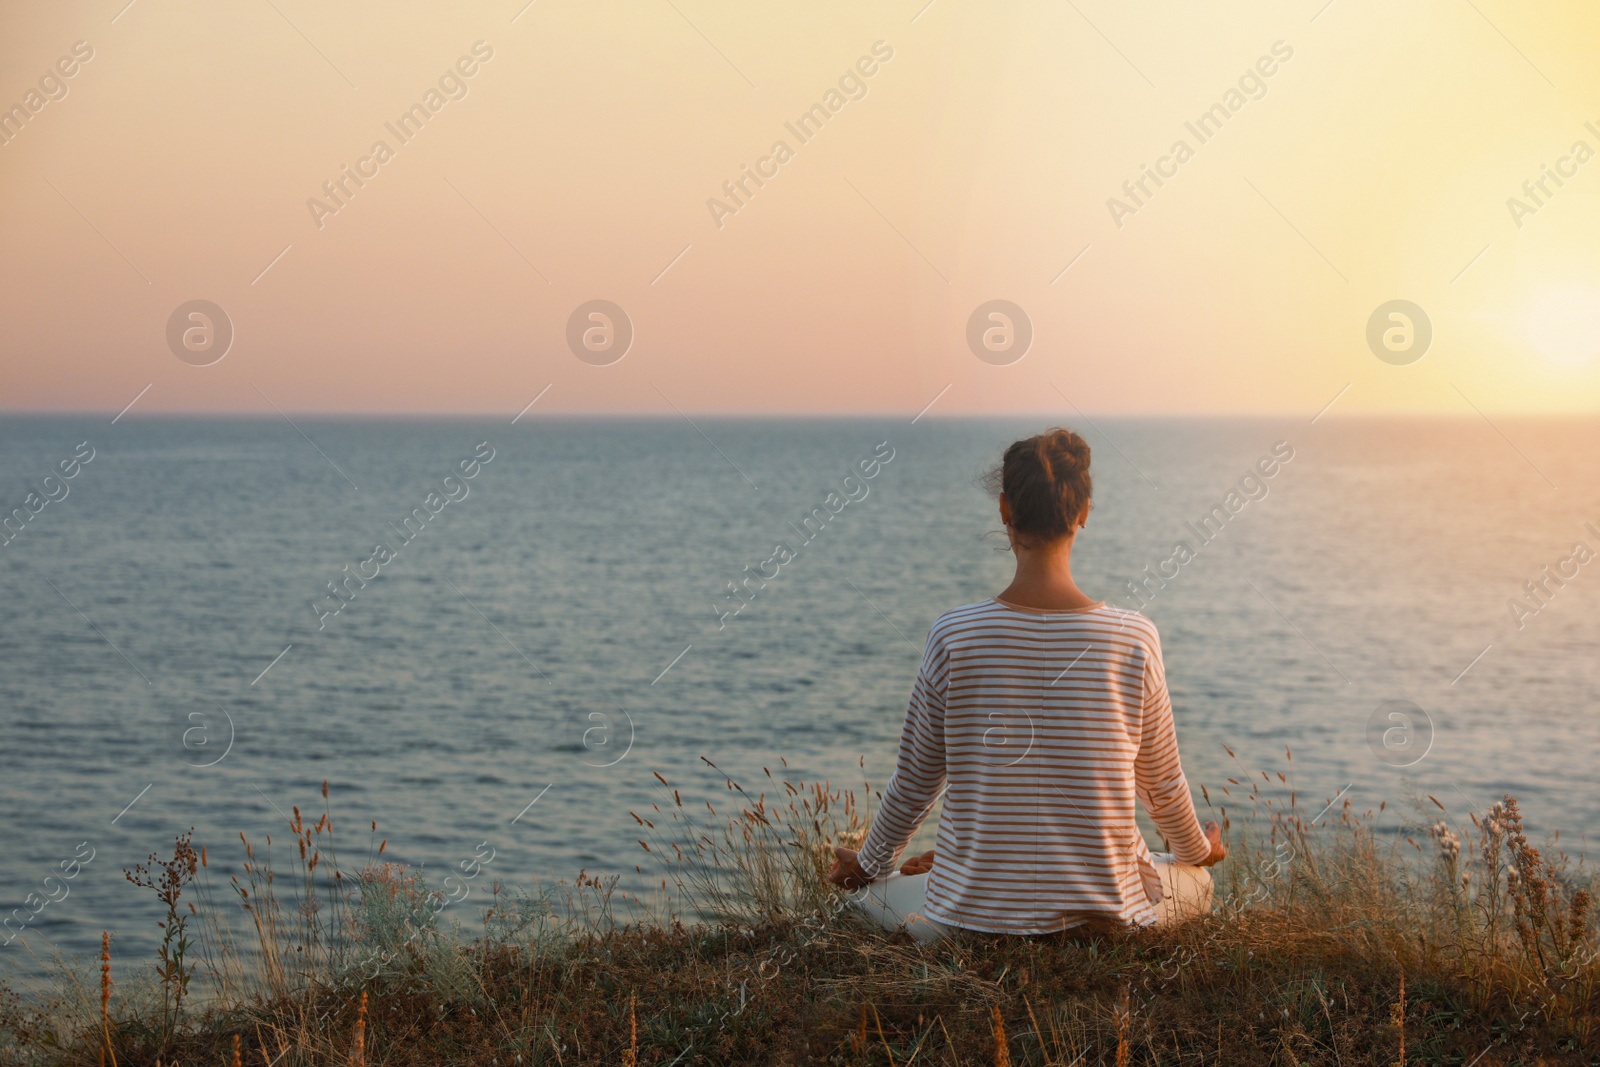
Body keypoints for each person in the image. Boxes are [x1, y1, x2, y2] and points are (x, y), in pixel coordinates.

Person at [828, 428, 1226, 942]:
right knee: (1196, 883)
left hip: (966, 927)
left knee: (872, 894)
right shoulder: (1134, 637)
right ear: (1083, 511)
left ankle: (956, 877)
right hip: (1109, 923)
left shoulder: (954, 634)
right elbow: (1161, 785)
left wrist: (865, 866)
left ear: (1003, 510)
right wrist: (1200, 851)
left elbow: (915, 784)